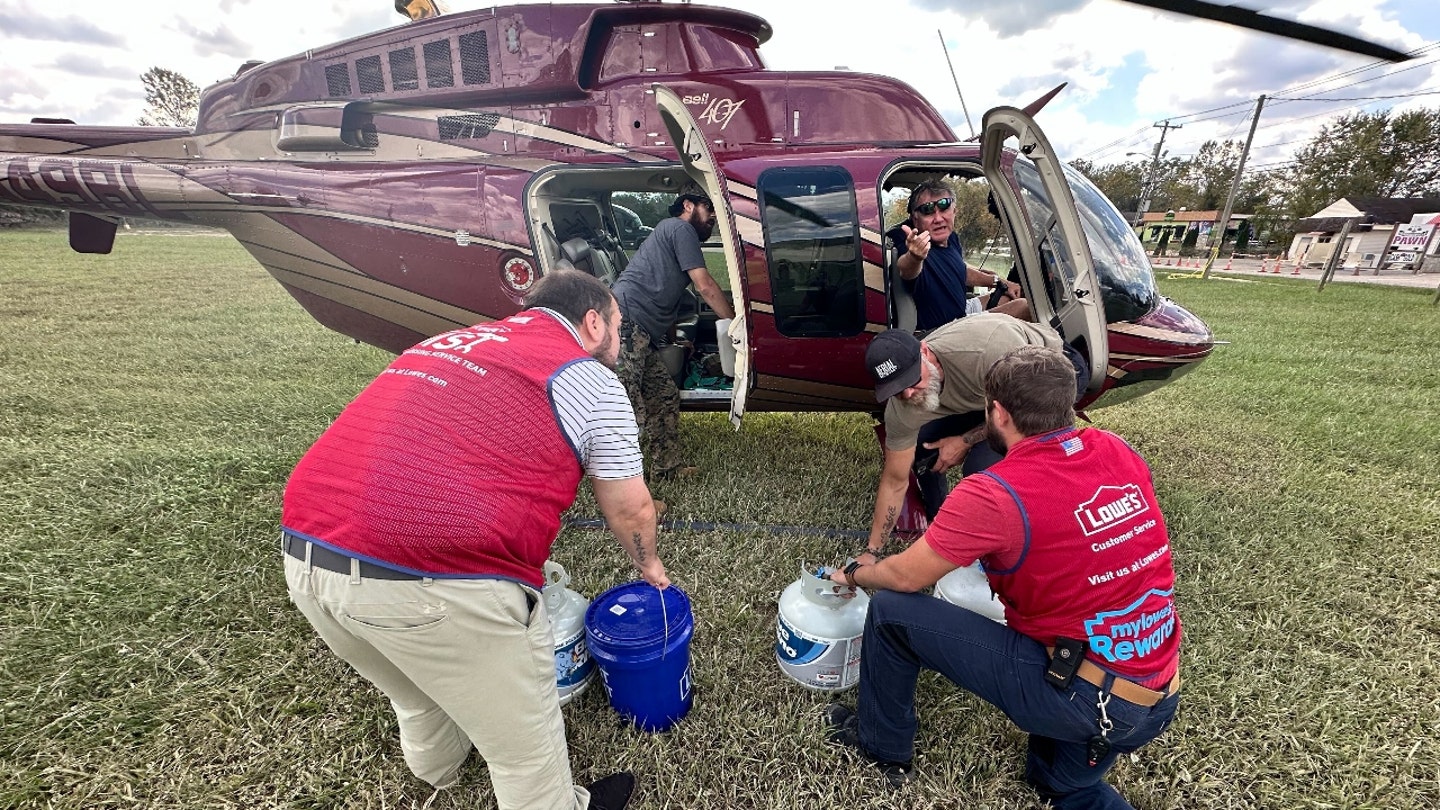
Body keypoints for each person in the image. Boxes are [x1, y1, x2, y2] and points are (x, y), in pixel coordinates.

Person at [280, 270, 668, 810]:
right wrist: (649, 566)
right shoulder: (591, 379)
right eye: (619, 328)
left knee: (415, 694)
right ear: (594, 321)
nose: (619, 342)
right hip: (435, 576)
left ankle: (440, 769)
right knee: (524, 751)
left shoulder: (446, 341)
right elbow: (630, 506)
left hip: (305, 553)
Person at [825, 345, 1182, 808]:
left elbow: (906, 578)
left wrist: (857, 572)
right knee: (1062, 786)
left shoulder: (993, 493)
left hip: (1084, 697)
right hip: (1156, 691)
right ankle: (1068, 773)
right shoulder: (1116, 449)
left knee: (891, 614)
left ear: (997, 413)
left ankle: (881, 746)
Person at [860, 313, 1072, 557]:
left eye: (912, 379)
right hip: (982, 398)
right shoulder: (902, 407)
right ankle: (940, 519)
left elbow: (1020, 418)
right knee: (922, 445)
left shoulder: (987, 352)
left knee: (982, 467)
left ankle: (1007, 542)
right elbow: (894, 481)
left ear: (925, 352)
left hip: (1045, 378)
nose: (908, 394)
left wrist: (963, 441)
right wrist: (872, 552)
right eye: (897, 389)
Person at [610, 180, 735, 478]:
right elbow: (704, 286)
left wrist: (673, 340)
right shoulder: (680, 229)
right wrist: (734, 325)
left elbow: (670, 297)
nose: (714, 216)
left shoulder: (674, 234)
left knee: (663, 395)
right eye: (708, 207)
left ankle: (667, 468)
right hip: (625, 324)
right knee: (624, 408)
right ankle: (622, 483)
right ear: (688, 206)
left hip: (643, 332)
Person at [890, 179, 1029, 329]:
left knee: (1010, 296)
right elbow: (905, 269)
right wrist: (915, 257)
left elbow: (959, 270)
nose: (938, 218)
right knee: (1024, 307)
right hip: (944, 331)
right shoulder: (910, 240)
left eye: (944, 208)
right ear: (914, 219)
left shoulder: (951, 238)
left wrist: (999, 282)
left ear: (954, 211)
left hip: (962, 311)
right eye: (927, 210)